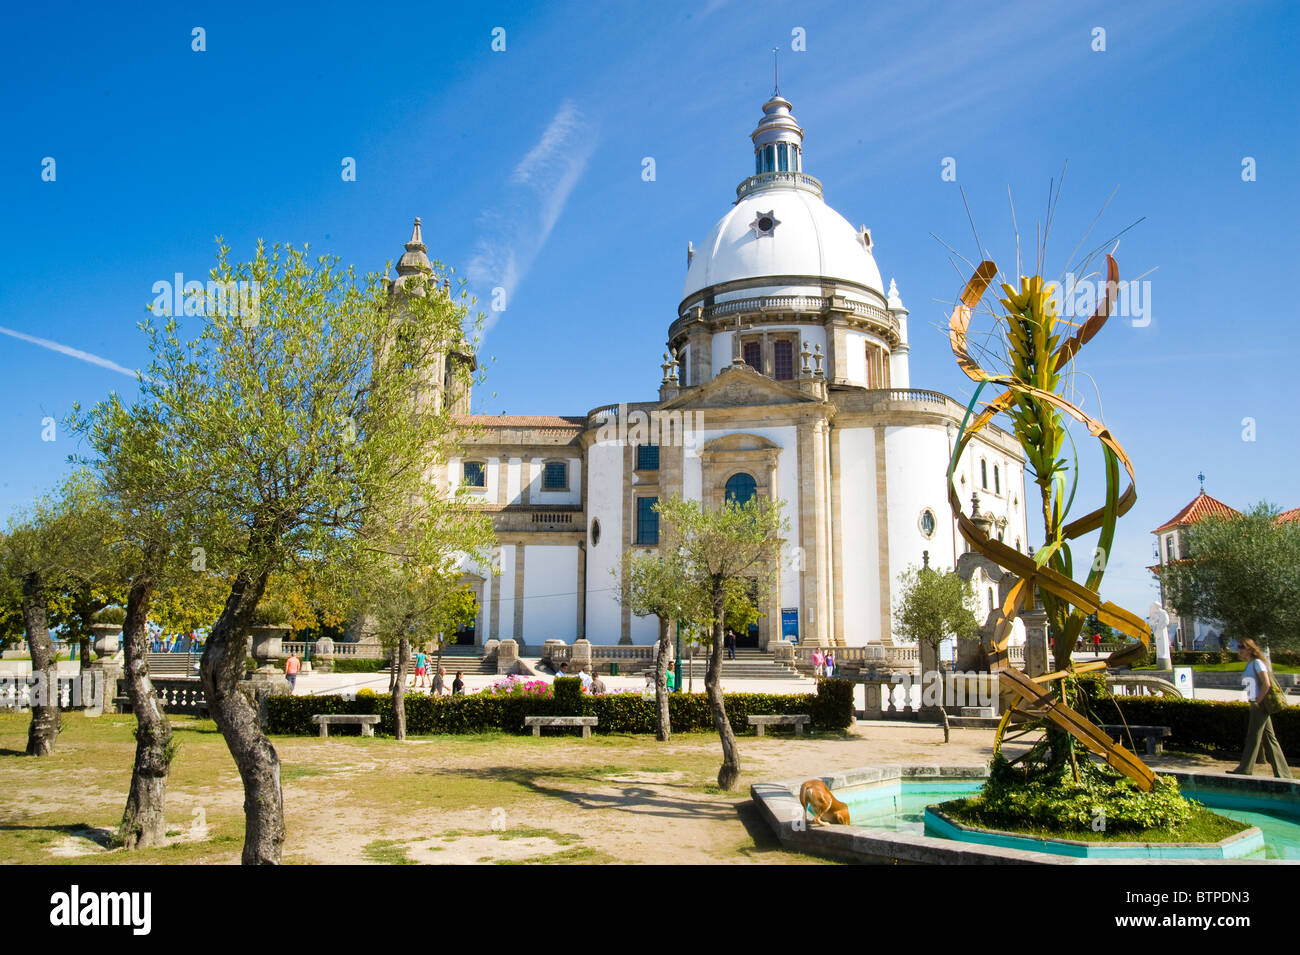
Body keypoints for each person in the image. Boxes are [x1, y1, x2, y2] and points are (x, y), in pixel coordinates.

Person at [1231, 639, 1293, 778]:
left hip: (1260, 704)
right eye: (1238, 647)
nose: (1239, 649)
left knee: (1253, 736)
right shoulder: (1251, 664)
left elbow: (1267, 684)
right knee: (1270, 738)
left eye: (1242, 647)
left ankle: (1245, 769)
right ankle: (1283, 773)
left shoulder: (1258, 663)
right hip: (1257, 703)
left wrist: (1257, 702)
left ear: (1250, 649)